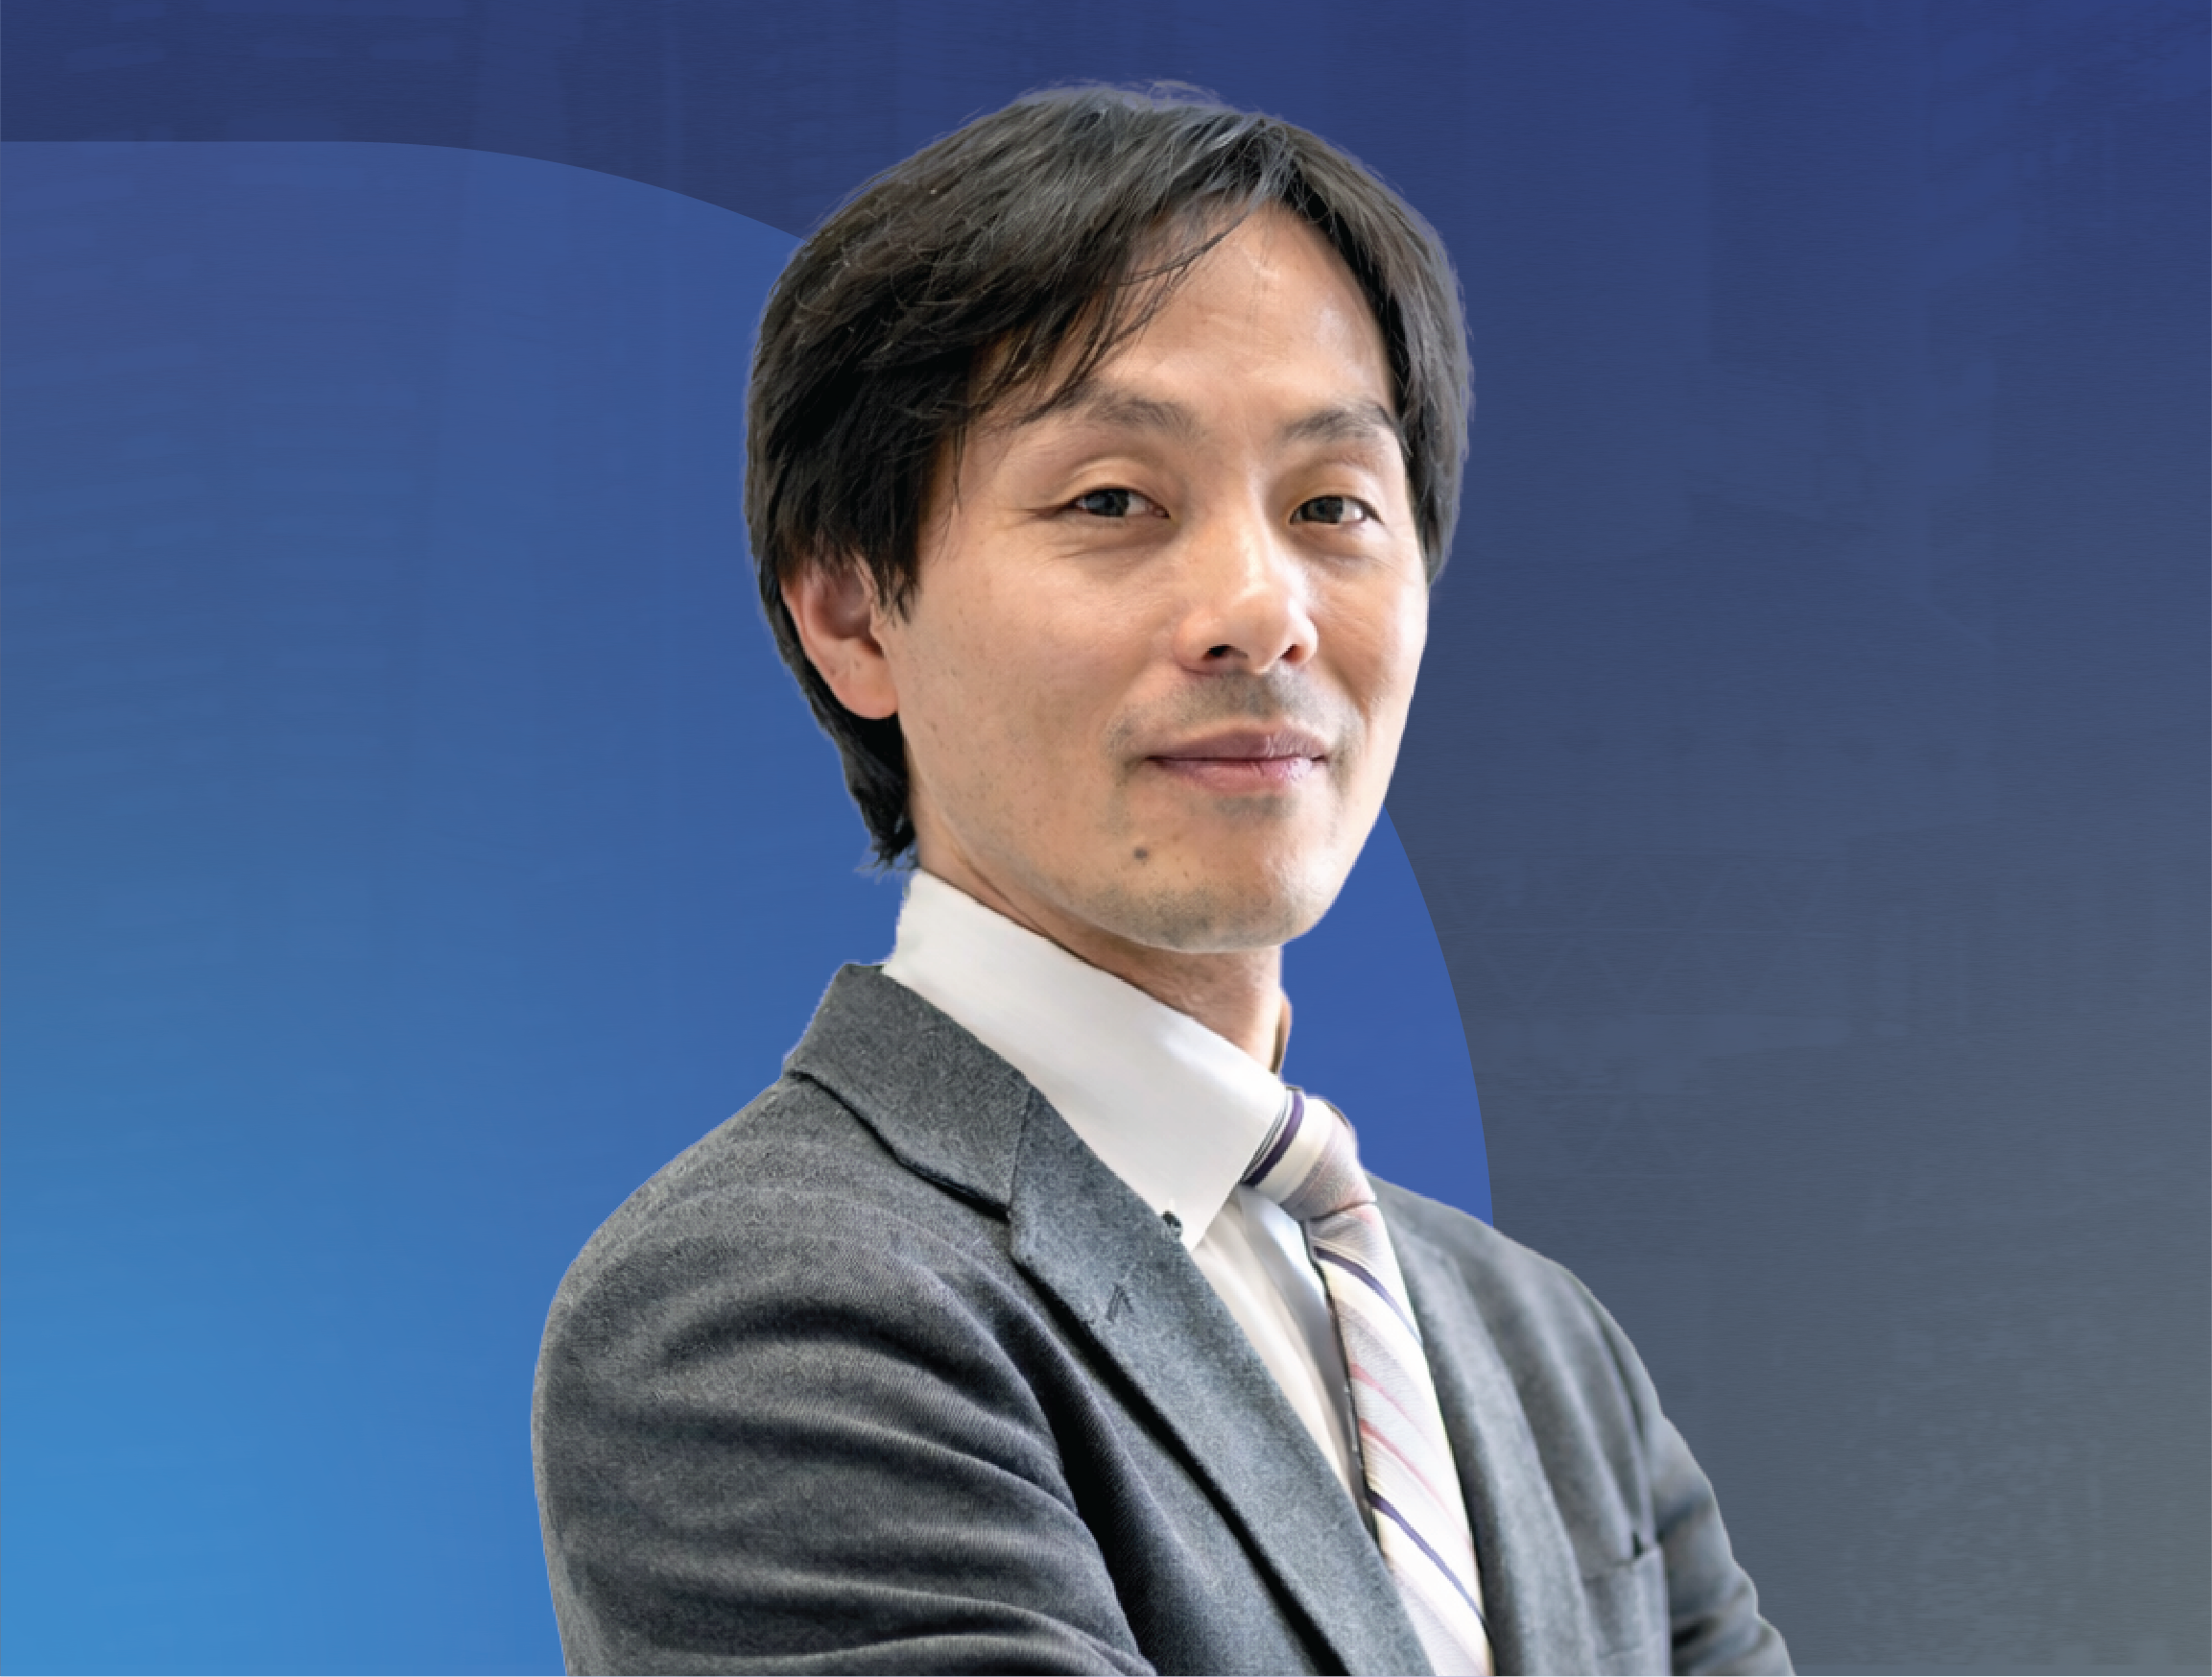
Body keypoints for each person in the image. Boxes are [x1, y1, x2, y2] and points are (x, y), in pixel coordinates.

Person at [532, 84, 1791, 1677]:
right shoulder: (764, 1316)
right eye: (1113, 501)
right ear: (852, 614)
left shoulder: (1546, 1354)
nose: (1261, 612)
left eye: (1333, 506)